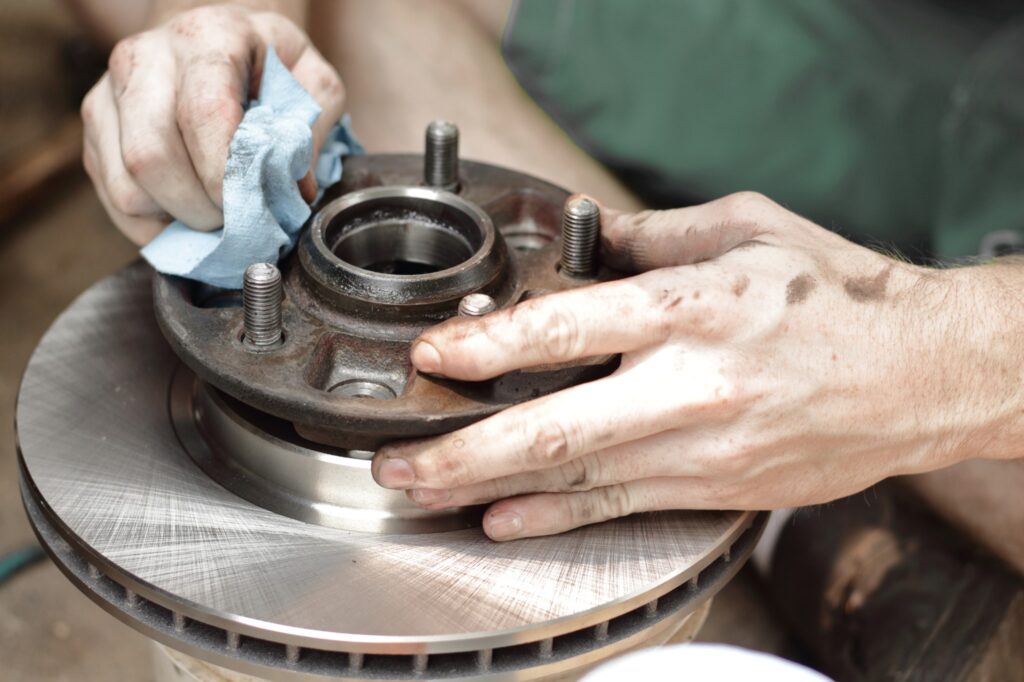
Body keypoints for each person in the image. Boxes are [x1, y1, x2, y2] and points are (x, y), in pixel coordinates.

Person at [71, 0, 1024, 676]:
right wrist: (213, 38)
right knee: (320, 24)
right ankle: (715, 382)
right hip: (940, 36)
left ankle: (787, 463)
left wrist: (925, 352)